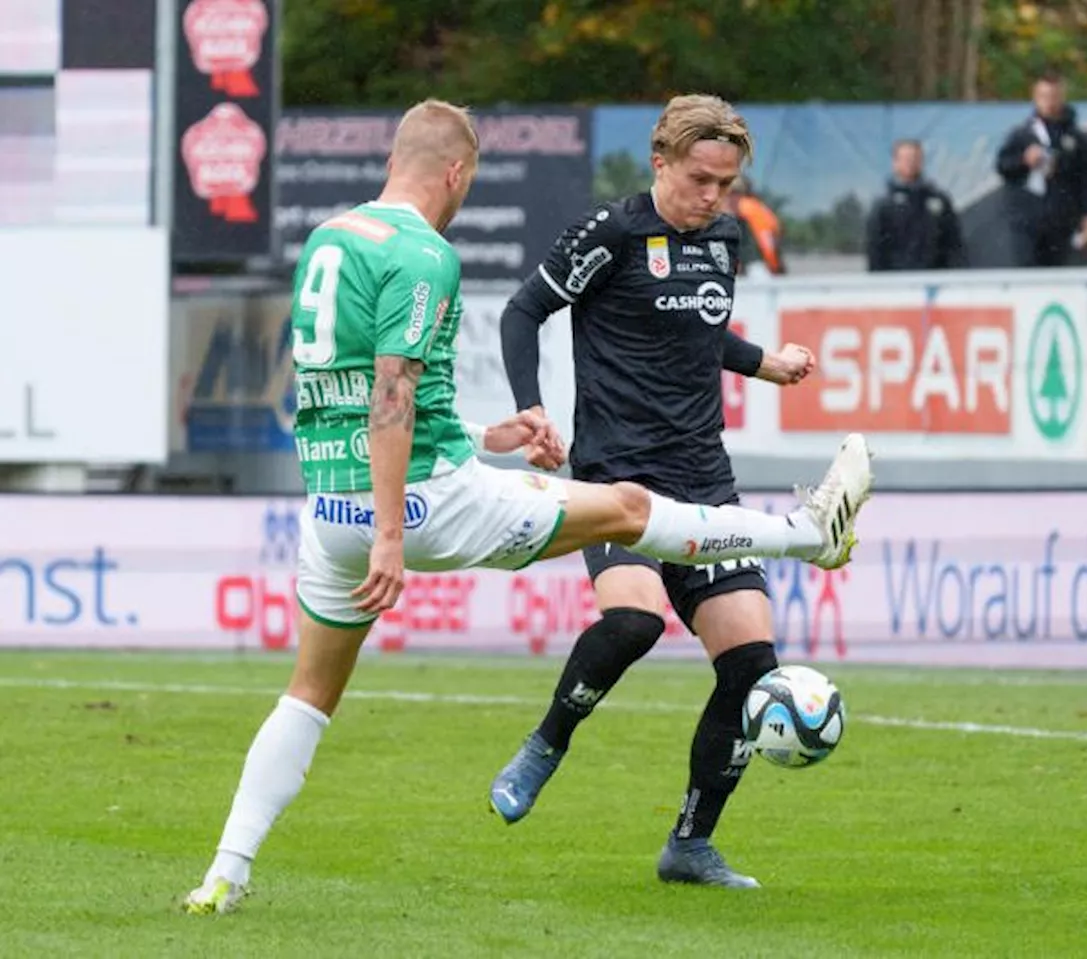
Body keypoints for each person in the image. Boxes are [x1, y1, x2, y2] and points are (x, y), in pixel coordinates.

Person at [182, 99, 873, 916]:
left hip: (334, 510)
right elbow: (395, 394)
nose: (715, 195)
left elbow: (348, 394)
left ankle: (224, 872)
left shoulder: (331, 241)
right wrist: (396, 535)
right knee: (626, 509)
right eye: (702, 178)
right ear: (456, 173)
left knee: (307, 695)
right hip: (428, 506)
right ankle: (803, 532)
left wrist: (489, 432)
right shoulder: (430, 253)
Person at [489, 93, 868, 890]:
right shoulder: (612, 233)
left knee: (751, 664)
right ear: (660, 162)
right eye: (701, 179)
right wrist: (532, 405)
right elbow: (525, 310)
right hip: (617, 477)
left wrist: (762, 360)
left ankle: (691, 844)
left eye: (726, 184)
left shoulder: (724, 238)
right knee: (631, 621)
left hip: (704, 478)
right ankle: (548, 741)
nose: (713, 198)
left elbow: (696, 331)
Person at [995, 69, 1087, 268]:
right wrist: (1024, 160)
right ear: (1035, 98)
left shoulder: (1075, 137)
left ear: (1062, 97)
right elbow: (1002, 167)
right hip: (1027, 221)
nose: (1049, 102)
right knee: (1028, 277)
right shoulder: (1022, 134)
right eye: (1044, 96)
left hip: (1061, 220)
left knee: (1057, 277)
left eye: (1054, 96)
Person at [865, 139, 965, 272]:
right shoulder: (884, 206)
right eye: (906, 158)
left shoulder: (939, 201)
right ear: (895, 163)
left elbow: (954, 245)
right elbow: (875, 251)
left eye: (915, 158)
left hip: (936, 283)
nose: (911, 163)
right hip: (896, 284)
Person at [723, 175, 787, 274]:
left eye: (734, 193)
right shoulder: (757, 210)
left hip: (756, 270)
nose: (729, 198)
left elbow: (767, 247)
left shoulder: (750, 215)